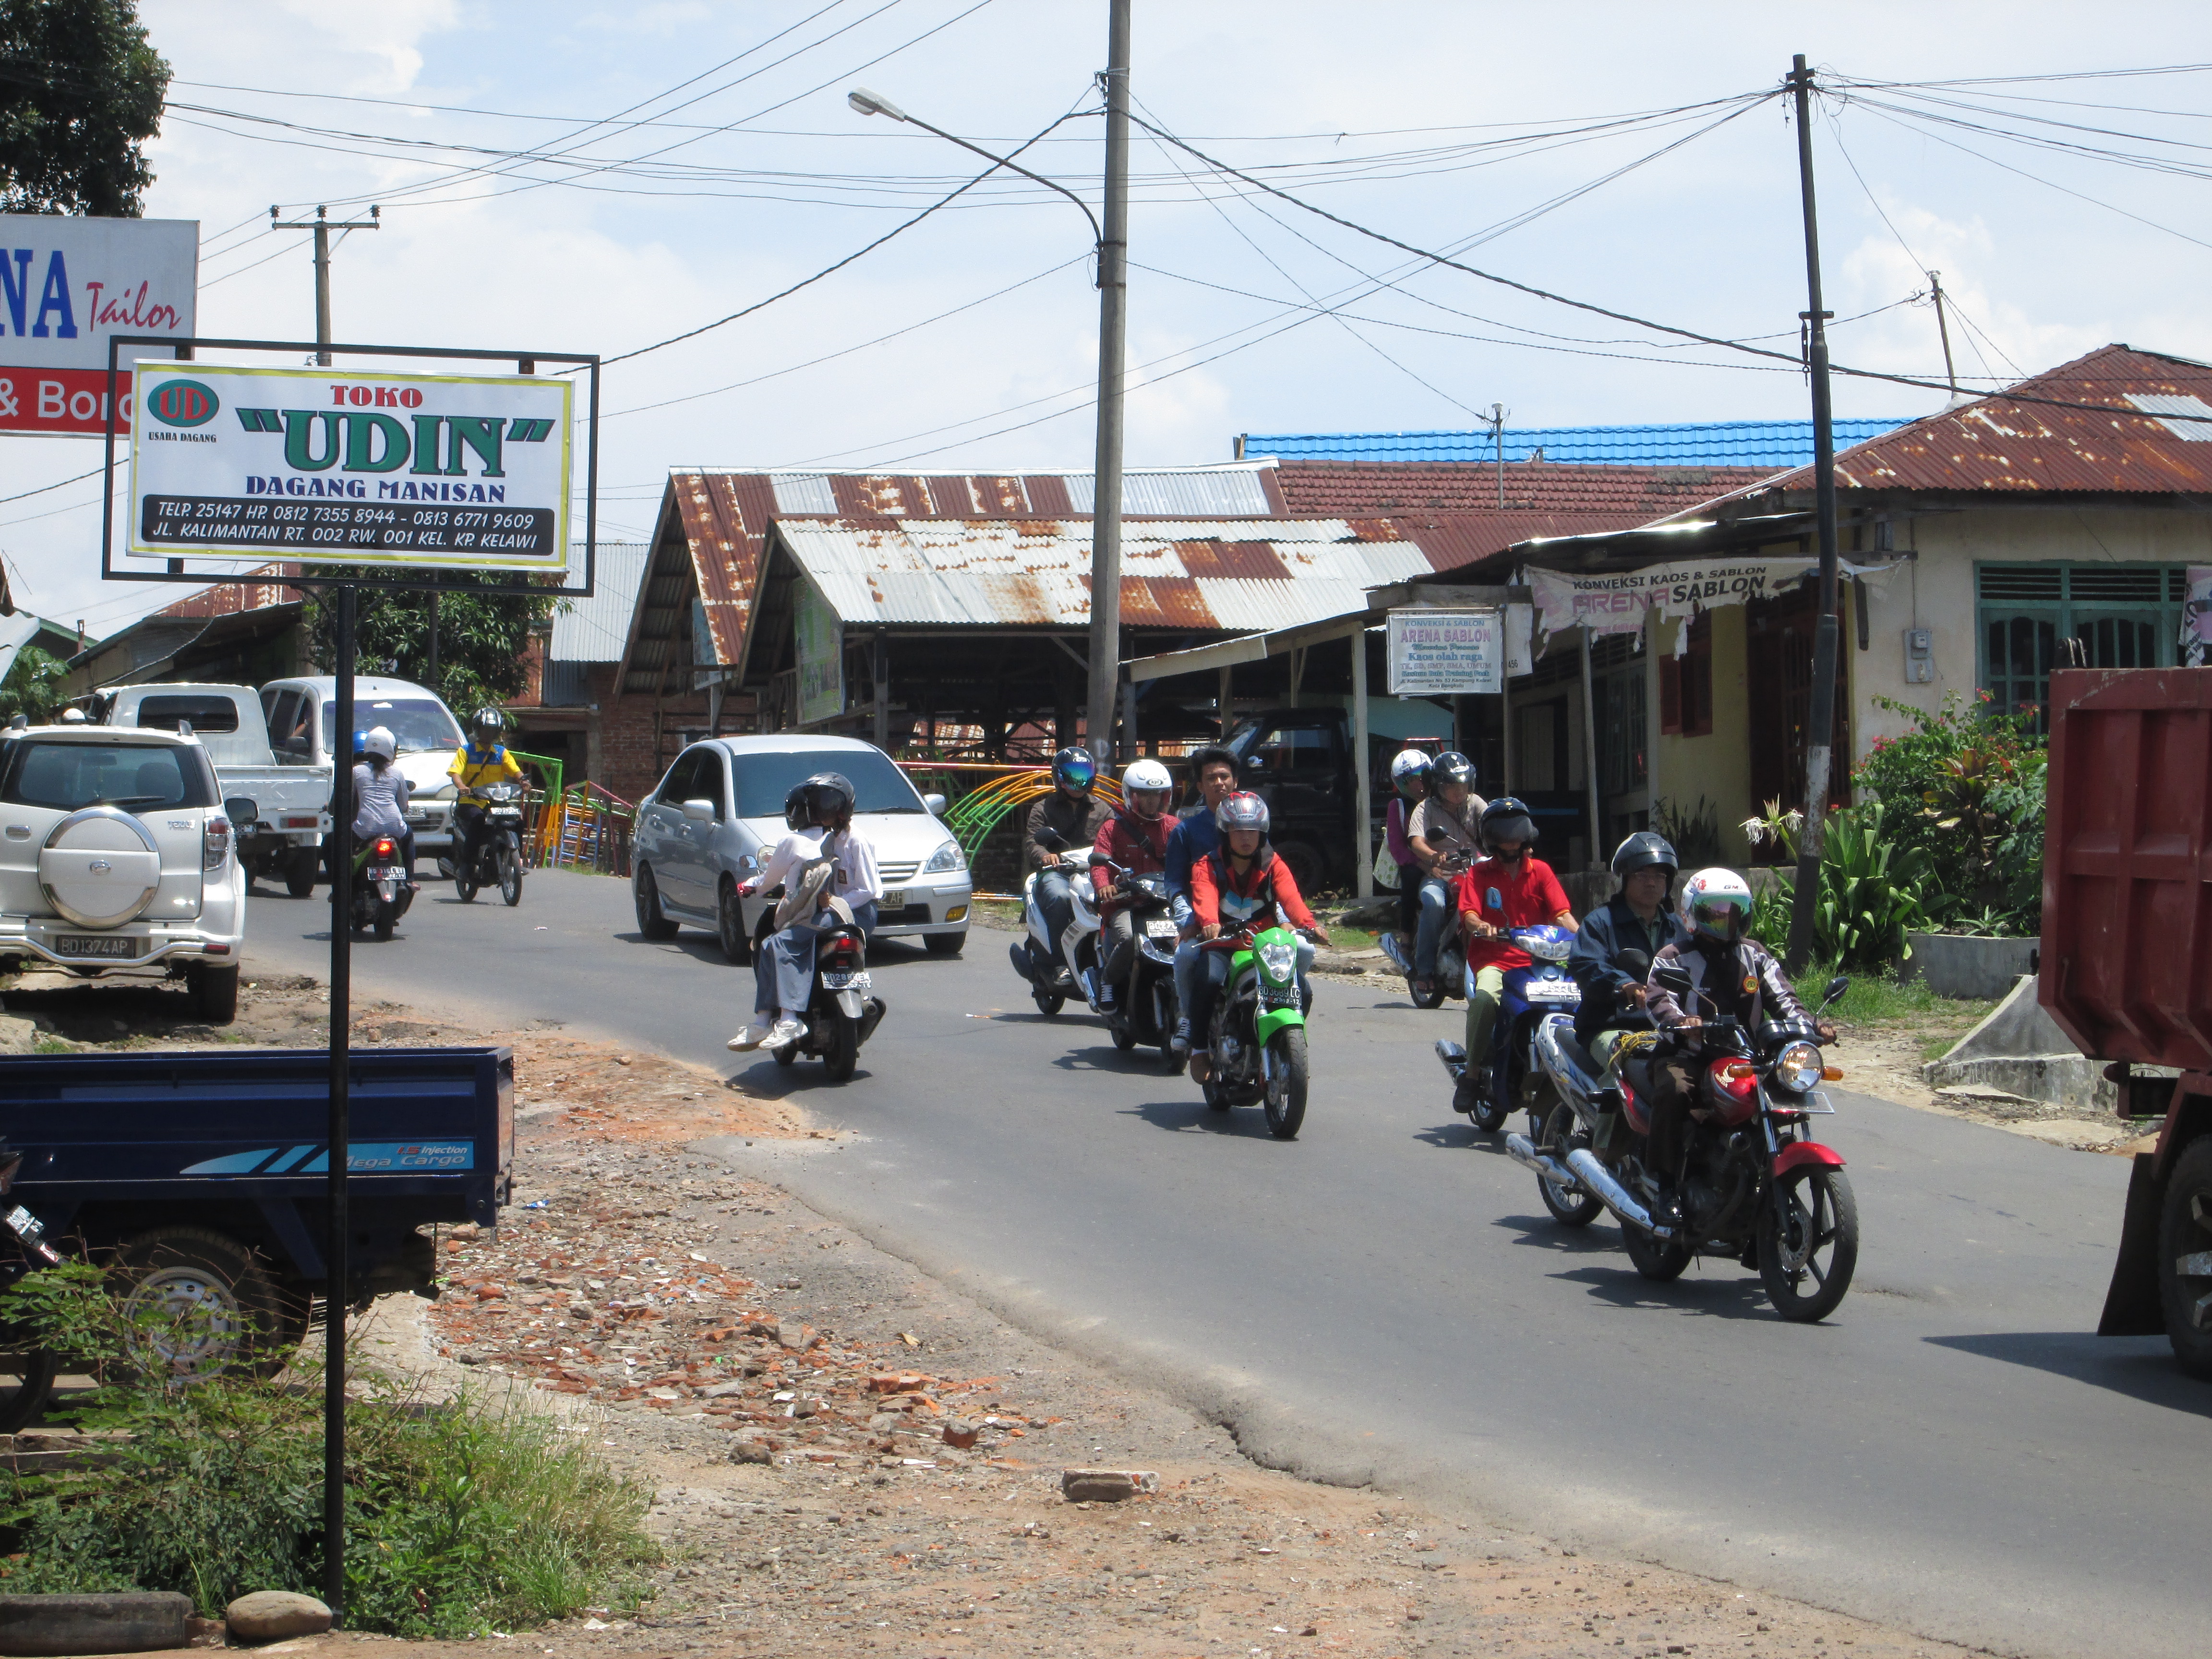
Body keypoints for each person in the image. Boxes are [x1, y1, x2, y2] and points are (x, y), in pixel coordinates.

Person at [1642, 868, 1836, 1224]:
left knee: (1782, 1095)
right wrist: (1684, 1024)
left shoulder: (1755, 955)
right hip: (1690, 1056)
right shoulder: (1673, 956)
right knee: (1675, 1089)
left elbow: (1785, 998)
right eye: (1715, 912)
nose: (1725, 919)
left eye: (1733, 911)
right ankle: (1665, 1185)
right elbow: (1658, 1001)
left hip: (1748, 1058)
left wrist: (1813, 1025)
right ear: (1693, 913)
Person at [1184, 791, 1324, 1083]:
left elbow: (1292, 899)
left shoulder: (1274, 864)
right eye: (1238, 831)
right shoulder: (1207, 865)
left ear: (1262, 833)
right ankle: (1198, 1048)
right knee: (1208, 980)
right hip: (1222, 944)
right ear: (1225, 832)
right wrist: (1210, 923)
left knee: (1304, 990)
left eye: (1252, 831)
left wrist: (1309, 925)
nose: (1246, 838)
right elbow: (1204, 896)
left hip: (1265, 944)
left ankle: (1280, 1042)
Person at [1452, 795, 1576, 1115]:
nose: (1511, 839)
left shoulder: (1542, 872)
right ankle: (1472, 1073)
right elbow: (1468, 914)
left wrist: (1585, 936)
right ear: (1492, 837)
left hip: (1540, 962)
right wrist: (1481, 926)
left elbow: (1562, 914)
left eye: (1517, 831)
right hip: (1495, 960)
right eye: (1504, 833)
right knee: (1484, 999)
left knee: (1578, 997)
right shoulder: (1478, 876)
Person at [728, 779, 852, 1052]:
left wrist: (750, 886)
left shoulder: (792, 841)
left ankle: (785, 1019)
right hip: (836, 914)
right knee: (777, 944)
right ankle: (766, 1021)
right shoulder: (835, 840)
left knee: (775, 944)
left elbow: (769, 881)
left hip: (810, 915)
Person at [1568, 831, 1688, 1070]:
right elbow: (1587, 965)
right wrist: (1624, 985)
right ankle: (1605, 1107)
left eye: (1660, 876)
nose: (1652, 882)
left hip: (1669, 1027)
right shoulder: (1601, 922)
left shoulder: (1678, 927)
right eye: (1642, 875)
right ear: (1625, 879)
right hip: (1611, 1026)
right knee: (1628, 1070)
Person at [1164, 744, 1240, 1060]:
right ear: (1200, 787)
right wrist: (1187, 922)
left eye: (1225, 776)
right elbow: (1174, 883)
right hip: (1202, 920)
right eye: (1211, 778)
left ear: (1236, 781)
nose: (1219, 783)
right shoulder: (1186, 831)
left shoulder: (1254, 822)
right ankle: (1187, 1017)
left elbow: (1271, 876)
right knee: (1183, 957)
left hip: (1249, 916)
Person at [1021, 746, 1113, 981]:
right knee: (1061, 897)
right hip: (1057, 874)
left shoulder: (1103, 810)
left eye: (1084, 774)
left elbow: (1117, 839)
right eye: (1072, 774)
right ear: (1058, 776)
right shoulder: (1042, 809)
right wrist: (1046, 856)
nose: (1078, 781)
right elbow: (1032, 842)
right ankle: (1059, 964)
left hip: (1095, 873)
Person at [1091, 758, 1176, 1010]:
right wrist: (1104, 886)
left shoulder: (1173, 827)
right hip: (1126, 904)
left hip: (1163, 903)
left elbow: (1191, 861)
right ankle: (1107, 980)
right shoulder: (1112, 828)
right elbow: (1099, 863)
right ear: (1131, 795)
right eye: (1145, 796)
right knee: (1129, 939)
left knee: (1186, 943)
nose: (1153, 802)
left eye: (1158, 795)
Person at [1406, 751, 1486, 1000]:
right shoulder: (1425, 808)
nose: (1458, 791)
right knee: (1434, 902)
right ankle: (1425, 969)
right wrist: (1434, 856)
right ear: (1439, 786)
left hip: (1477, 873)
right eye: (1452, 785)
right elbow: (1416, 842)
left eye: (1463, 784)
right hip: (1442, 875)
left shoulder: (1476, 804)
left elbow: (1494, 825)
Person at [447, 706, 525, 881]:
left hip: (497, 803)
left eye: (493, 730)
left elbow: (516, 771)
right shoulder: (465, 751)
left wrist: (523, 781)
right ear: (477, 729)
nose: (489, 734)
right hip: (471, 802)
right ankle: (468, 864)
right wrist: (462, 787)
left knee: (518, 820)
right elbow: (455, 774)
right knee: (477, 820)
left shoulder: (502, 753)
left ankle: (518, 860)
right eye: (485, 729)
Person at [806, 771, 880, 941]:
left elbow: (867, 890)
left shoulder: (857, 841)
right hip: (836, 908)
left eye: (826, 804)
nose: (821, 810)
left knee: (806, 932)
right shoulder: (831, 841)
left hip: (859, 912)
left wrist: (833, 903)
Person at [351, 725, 417, 888]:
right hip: (394, 827)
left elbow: (348, 798)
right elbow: (403, 806)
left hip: (365, 828)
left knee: (341, 845)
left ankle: (342, 884)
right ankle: (409, 879)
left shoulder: (357, 771)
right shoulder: (397, 773)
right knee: (408, 836)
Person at [1384, 749, 1432, 949]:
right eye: (1408, 781)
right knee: (1411, 877)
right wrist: (1424, 865)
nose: (1417, 785)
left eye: (1421, 776)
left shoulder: (1442, 801)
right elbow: (1398, 848)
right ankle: (1406, 936)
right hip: (1415, 862)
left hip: (1446, 859)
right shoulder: (1398, 806)